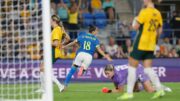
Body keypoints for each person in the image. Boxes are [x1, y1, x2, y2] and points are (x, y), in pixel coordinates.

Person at [118, 0, 164, 100]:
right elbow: (160, 31)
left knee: (131, 67)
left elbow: (135, 27)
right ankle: (160, 89)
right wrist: (153, 39)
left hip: (141, 44)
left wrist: (135, 20)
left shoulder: (144, 11)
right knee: (148, 68)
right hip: (151, 45)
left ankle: (129, 93)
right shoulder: (158, 13)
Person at [36, 15, 70, 93]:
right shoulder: (60, 29)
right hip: (52, 51)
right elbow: (68, 38)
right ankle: (43, 88)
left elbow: (55, 43)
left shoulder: (56, 30)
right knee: (42, 69)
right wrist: (62, 44)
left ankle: (60, 86)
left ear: (54, 21)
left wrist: (47, 41)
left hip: (53, 51)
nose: (50, 22)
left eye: (50, 20)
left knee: (45, 69)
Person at [102, 64, 171, 93]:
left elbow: (120, 91)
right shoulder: (113, 73)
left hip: (138, 70)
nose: (107, 75)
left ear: (112, 71)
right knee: (136, 91)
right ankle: (143, 86)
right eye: (106, 73)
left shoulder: (119, 76)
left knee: (149, 90)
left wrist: (108, 91)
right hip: (132, 73)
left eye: (108, 73)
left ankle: (162, 88)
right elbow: (117, 86)